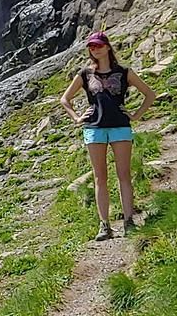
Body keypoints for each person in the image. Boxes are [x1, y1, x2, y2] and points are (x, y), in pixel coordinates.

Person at [60, 31, 156, 240]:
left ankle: (129, 221)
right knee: (99, 177)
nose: (94, 49)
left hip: (120, 126)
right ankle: (105, 225)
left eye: (98, 45)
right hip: (94, 128)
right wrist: (77, 118)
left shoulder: (123, 72)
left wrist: (136, 115)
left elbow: (150, 94)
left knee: (124, 174)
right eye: (91, 47)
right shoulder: (85, 74)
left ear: (108, 47)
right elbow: (65, 99)